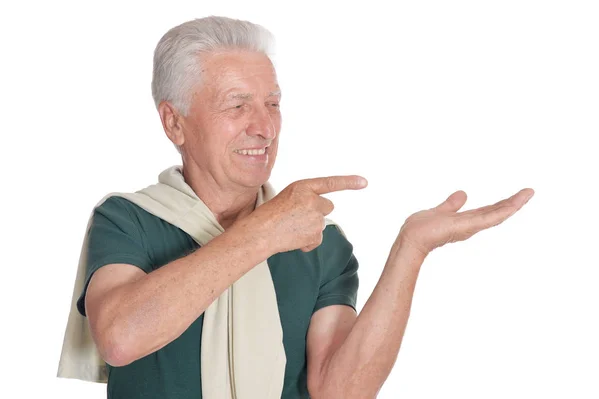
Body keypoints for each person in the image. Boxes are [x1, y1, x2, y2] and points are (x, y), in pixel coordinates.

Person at [57, 16, 534, 399]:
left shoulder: (319, 241)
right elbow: (120, 338)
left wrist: (411, 249)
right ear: (173, 122)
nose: (264, 127)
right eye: (237, 106)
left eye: (273, 103)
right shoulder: (127, 220)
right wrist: (262, 232)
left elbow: (340, 391)